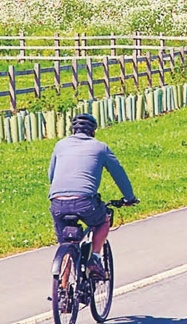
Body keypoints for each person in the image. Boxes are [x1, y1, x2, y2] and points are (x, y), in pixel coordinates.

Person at [48, 114, 137, 279]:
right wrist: (129, 197)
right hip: (85, 202)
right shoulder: (100, 147)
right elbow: (119, 174)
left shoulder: (60, 145)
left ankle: (63, 289)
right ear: (93, 132)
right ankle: (95, 257)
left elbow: (51, 176)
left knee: (67, 243)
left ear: (73, 130)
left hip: (57, 202)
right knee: (104, 219)